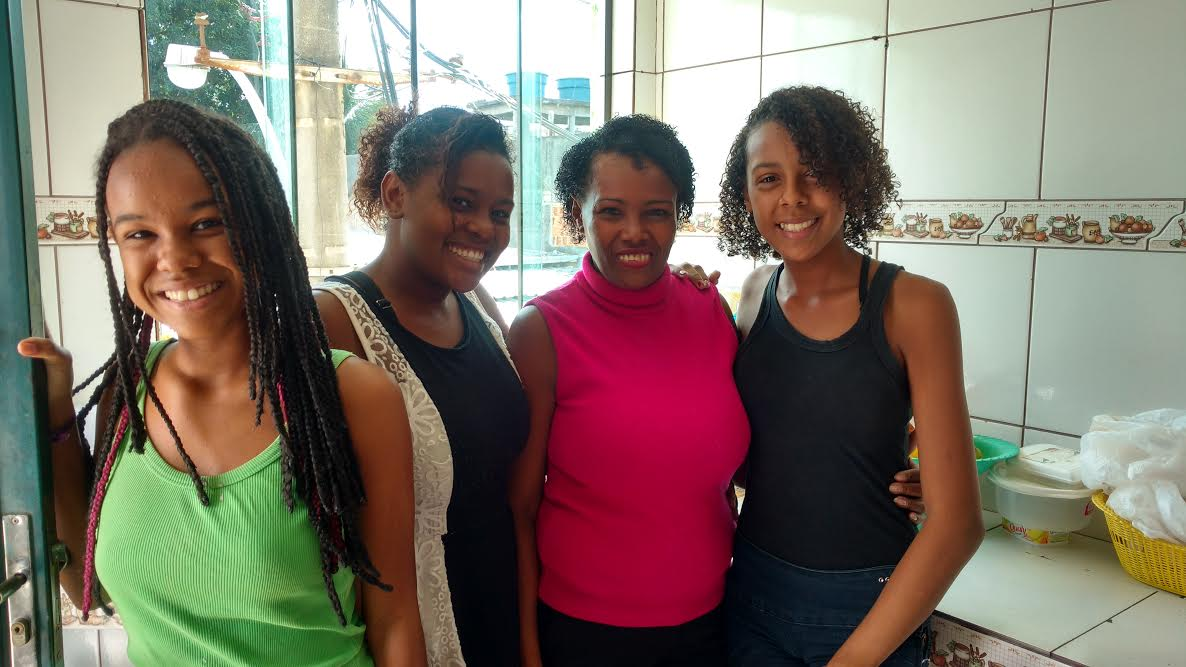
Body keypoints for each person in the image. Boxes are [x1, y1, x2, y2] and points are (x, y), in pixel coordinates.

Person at [17, 100, 425, 666]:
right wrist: (55, 405)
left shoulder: (354, 398)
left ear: (258, 225)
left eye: (206, 224)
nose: (175, 259)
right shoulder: (128, 396)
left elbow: (396, 622)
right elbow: (89, 588)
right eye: (139, 234)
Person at [508, 115, 926, 667]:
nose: (635, 232)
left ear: (679, 217)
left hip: (714, 624)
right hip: (586, 634)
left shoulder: (710, 310)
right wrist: (527, 651)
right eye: (610, 211)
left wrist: (882, 470)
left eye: (656, 212)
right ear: (576, 215)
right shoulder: (542, 330)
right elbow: (519, 507)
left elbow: (750, 452)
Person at [718, 86, 984, 666]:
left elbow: (959, 524)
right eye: (769, 179)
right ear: (747, 193)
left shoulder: (914, 305)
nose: (792, 197)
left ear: (851, 180)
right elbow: (749, 454)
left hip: (869, 610)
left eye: (814, 174)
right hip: (751, 597)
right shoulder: (752, 296)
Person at [314, 105, 527, 666]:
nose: (483, 227)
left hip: (502, 605)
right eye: (461, 202)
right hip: (413, 626)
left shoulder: (476, 303)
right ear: (394, 195)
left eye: (499, 212)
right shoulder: (335, 321)